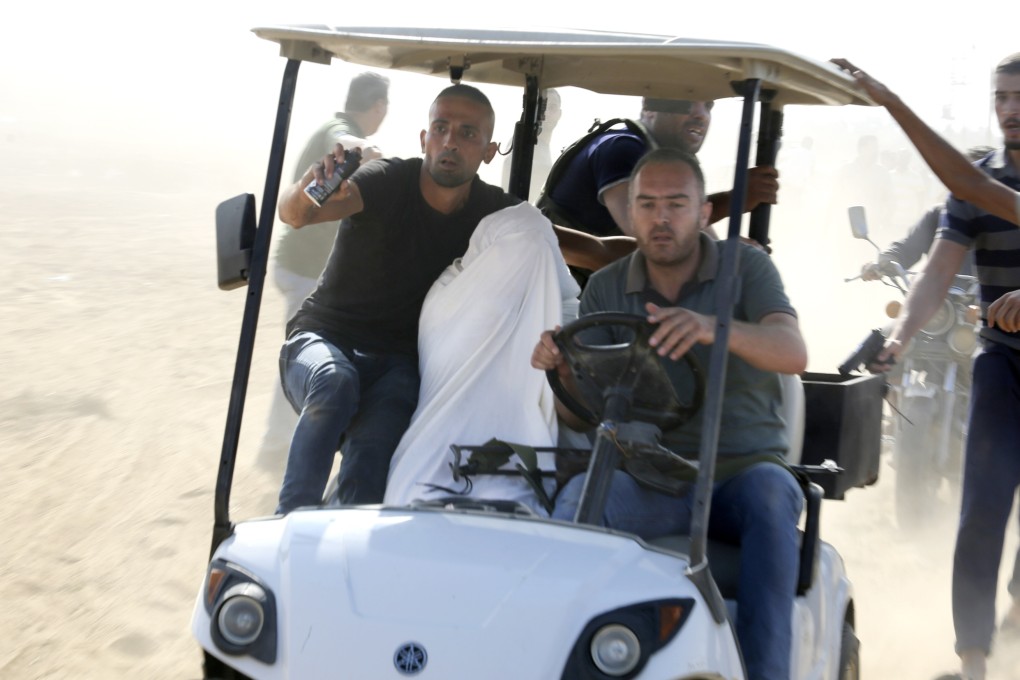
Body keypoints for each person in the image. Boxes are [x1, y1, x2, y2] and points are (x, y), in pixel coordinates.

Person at [531, 148, 808, 680]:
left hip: (741, 474)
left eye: (676, 204)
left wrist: (712, 328)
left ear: (703, 212)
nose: (661, 218)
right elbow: (582, 420)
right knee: (578, 500)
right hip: (652, 477)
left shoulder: (745, 267)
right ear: (630, 215)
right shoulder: (608, 286)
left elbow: (792, 351)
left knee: (773, 498)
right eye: (648, 205)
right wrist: (565, 371)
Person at [834, 54, 1020, 680]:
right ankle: (974, 660)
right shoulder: (977, 184)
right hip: (1002, 359)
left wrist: (891, 100)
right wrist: (900, 336)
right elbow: (937, 270)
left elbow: (967, 182)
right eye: (1001, 97)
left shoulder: (976, 183)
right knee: (983, 507)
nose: (1010, 110)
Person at [273, 83, 520, 513]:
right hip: (323, 338)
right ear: (424, 138)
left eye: (467, 133)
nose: (450, 141)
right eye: (440, 128)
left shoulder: (493, 211)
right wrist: (313, 183)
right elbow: (296, 214)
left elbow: (556, 239)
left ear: (489, 150)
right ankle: (291, 522)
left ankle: (347, 536)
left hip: (398, 364)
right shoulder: (386, 180)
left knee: (377, 446)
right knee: (334, 382)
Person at [384, 202, 580, 514]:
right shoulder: (450, 299)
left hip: (507, 468)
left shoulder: (560, 311)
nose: (517, 266)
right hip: (440, 458)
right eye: (506, 256)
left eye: (534, 258)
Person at [258, 71, 391, 470]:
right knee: (307, 361)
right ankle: (277, 446)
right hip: (306, 270)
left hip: (301, 265)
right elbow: (345, 143)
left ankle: (282, 443)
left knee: (312, 357)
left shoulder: (333, 127)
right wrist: (369, 152)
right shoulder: (341, 131)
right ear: (378, 107)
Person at [540, 98, 780, 240]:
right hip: (562, 299)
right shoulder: (621, 148)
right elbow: (646, 233)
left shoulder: (662, 161)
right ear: (650, 107)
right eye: (687, 102)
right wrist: (734, 201)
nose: (701, 115)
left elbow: (700, 235)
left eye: (708, 105)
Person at [858, 146, 994, 282]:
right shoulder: (938, 216)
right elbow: (908, 248)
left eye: (979, 178)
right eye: (963, 175)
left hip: (991, 295)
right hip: (939, 293)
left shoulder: (1005, 221)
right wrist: (884, 263)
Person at [501, 88, 562, 199]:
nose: (546, 113)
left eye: (552, 107)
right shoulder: (523, 143)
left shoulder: (543, 149)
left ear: (559, 114)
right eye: (543, 107)